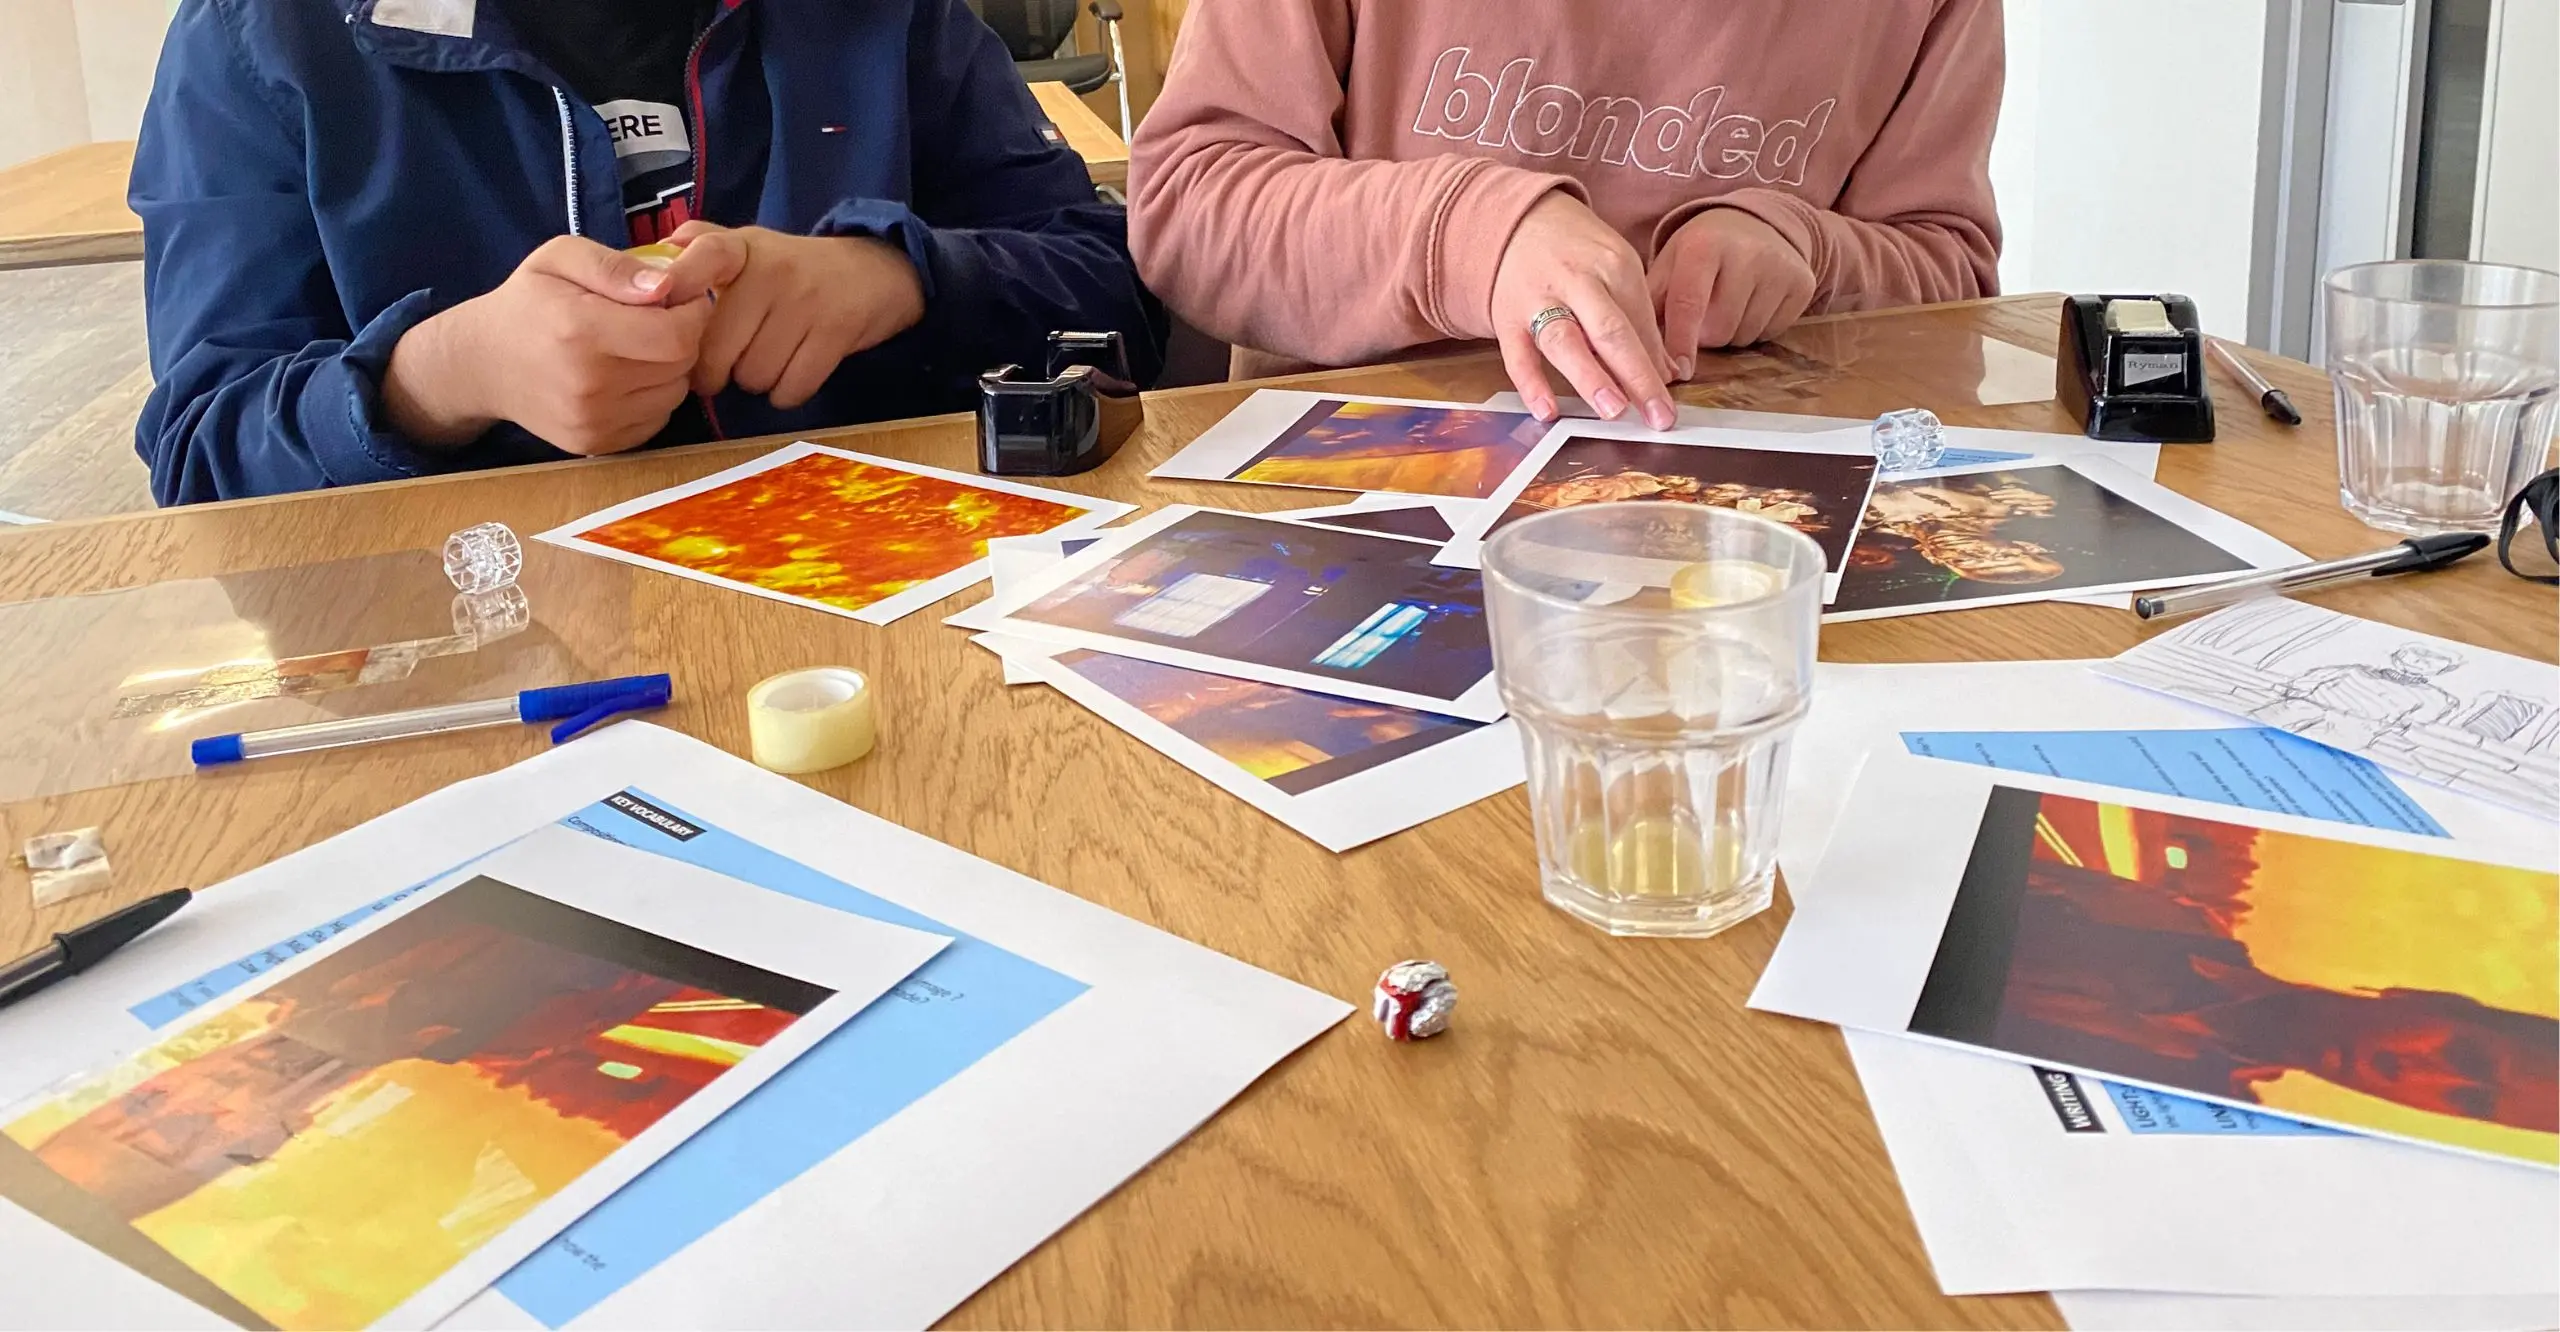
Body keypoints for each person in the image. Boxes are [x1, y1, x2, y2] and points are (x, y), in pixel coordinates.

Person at [131, 0, 1163, 505]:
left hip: (878, 616)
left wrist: (899, 276)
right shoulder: (263, 33)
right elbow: (201, 454)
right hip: (482, 663)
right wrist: (438, 378)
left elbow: (1121, 286)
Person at [1129, 0, 2003, 429]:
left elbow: (1951, 267)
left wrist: (1805, 249)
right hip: (1364, 503)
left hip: (1753, 535)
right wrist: (1470, 237)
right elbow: (1189, 207)